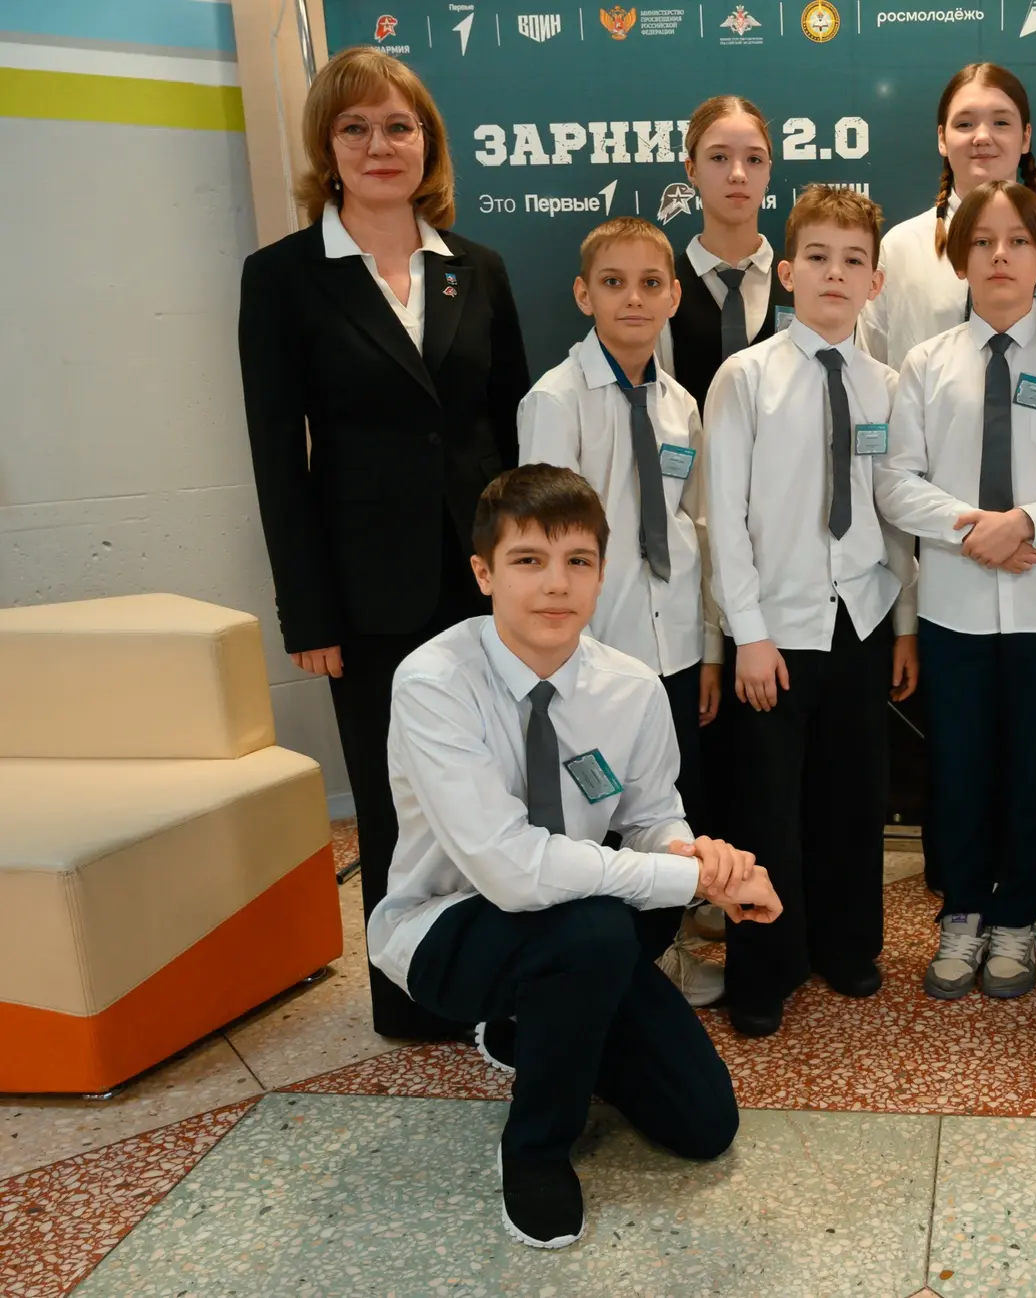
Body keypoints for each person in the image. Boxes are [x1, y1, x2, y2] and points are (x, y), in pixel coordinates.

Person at [368, 464, 780, 1249]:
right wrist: (685, 877)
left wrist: (702, 858)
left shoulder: (631, 688)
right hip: (448, 926)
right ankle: (535, 1151)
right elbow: (509, 870)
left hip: (573, 933)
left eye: (578, 561)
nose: (557, 584)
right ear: (484, 573)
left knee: (704, 1124)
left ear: (601, 571)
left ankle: (534, 1029)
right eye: (528, 560)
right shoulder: (433, 683)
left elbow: (651, 817)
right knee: (595, 927)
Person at [238, 46, 529, 1039]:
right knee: (397, 793)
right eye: (355, 127)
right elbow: (277, 460)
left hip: (482, 580)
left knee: (495, 787)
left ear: (427, 143)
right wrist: (307, 614)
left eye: (399, 126)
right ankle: (410, 998)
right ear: (327, 146)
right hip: (366, 595)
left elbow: (510, 434)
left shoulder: (477, 269)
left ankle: (500, 979)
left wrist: (529, 574)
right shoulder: (283, 278)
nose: (379, 145)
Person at [874, 181, 1036, 1001]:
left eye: (1017, 241)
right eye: (983, 242)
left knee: (1033, 768)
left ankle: (1018, 918)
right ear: (959, 259)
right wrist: (974, 528)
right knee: (960, 767)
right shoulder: (925, 366)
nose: (1000, 255)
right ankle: (964, 911)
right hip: (956, 609)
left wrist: (1028, 524)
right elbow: (895, 481)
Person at [704, 185, 920, 1038]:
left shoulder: (888, 385)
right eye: (819, 257)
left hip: (861, 619)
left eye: (854, 260)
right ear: (788, 272)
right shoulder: (746, 378)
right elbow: (725, 518)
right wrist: (748, 635)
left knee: (852, 798)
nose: (836, 273)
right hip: (776, 633)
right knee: (767, 809)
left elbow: (896, 516)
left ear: (875, 282)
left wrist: (903, 626)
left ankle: (846, 945)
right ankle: (766, 967)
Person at [517, 216, 726, 1007]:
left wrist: (709, 648)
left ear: (673, 296)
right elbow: (543, 550)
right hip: (593, 655)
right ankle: (602, 963)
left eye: (649, 284)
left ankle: (661, 948)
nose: (632, 298)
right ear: (584, 295)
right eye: (613, 283)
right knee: (595, 812)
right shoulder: (556, 400)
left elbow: (694, 526)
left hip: (673, 650)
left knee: (662, 803)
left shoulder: (681, 407)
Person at [859, 62, 1036, 369]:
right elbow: (871, 371)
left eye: (1001, 122)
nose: (983, 136)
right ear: (942, 139)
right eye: (965, 124)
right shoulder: (901, 248)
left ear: (1025, 137)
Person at [655, 95, 792, 408]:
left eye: (754, 159)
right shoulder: (661, 290)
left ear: (769, 171)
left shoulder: (800, 282)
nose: (738, 174)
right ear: (691, 169)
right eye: (719, 157)